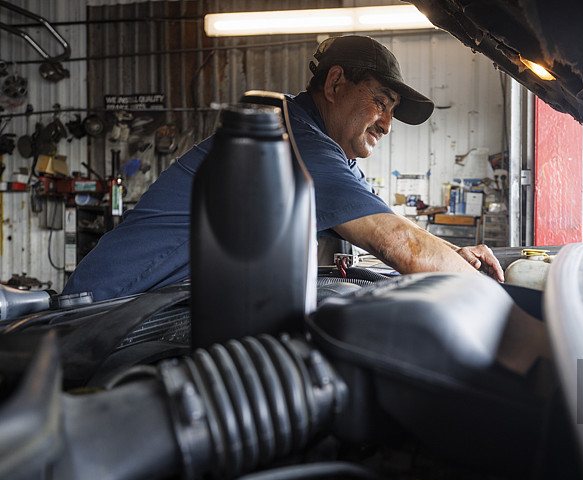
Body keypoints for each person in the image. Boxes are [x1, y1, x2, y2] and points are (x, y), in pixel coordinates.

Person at [63, 35, 503, 301]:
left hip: (153, 306)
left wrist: (452, 255)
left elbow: (389, 224)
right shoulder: (292, 142)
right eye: (381, 104)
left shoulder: (317, 143)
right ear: (334, 84)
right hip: (105, 311)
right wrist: (502, 302)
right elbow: (394, 242)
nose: (387, 125)